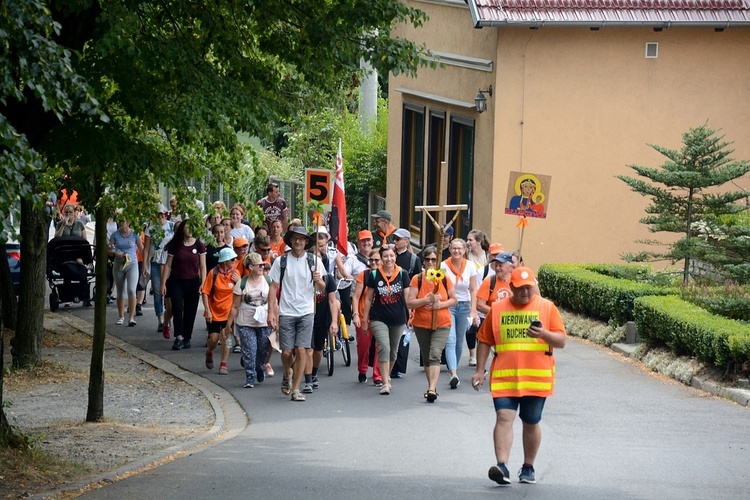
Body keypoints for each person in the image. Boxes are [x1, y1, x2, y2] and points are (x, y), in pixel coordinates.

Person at [472, 267, 567, 486]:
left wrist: (543, 334)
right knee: (504, 418)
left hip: (536, 378)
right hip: (505, 377)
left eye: (529, 287)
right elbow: (485, 339)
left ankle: (528, 467)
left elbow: (561, 341)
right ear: (511, 287)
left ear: (534, 285)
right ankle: (502, 466)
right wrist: (480, 369)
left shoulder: (547, 307)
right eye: (521, 288)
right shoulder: (497, 309)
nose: (526, 292)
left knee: (530, 422)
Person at [267, 226, 327, 402]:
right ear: (290, 241)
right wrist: (271, 311)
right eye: (295, 238)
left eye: (302, 239)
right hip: (286, 311)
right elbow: (273, 287)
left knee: (301, 349)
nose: (298, 242)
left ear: (306, 242)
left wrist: (319, 281)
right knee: (286, 353)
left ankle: (296, 389)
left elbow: (323, 287)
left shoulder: (314, 261)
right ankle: (288, 372)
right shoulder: (281, 261)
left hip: (306, 311)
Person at [404, 245, 457, 403]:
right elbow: (410, 303)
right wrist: (426, 300)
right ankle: (431, 385)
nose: (431, 262)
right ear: (423, 261)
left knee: (435, 354)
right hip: (422, 323)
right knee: (427, 357)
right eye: (428, 259)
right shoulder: (417, 279)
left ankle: (432, 389)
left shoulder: (444, 278)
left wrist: (439, 305)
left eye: (434, 260)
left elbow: (454, 299)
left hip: (442, 323)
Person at [361, 244, 410, 395]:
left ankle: (386, 375)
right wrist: (364, 319)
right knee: (384, 347)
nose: (389, 259)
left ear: (395, 256)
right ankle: (385, 383)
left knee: (393, 352)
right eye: (385, 256)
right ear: (381, 259)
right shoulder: (374, 275)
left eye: (391, 256)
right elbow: (369, 298)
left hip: (398, 318)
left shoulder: (403, 274)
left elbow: (408, 299)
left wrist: (411, 316)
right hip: (378, 317)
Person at [226, 252, 271, 388]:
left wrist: (275, 318)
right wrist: (229, 324)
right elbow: (235, 306)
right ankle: (250, 376)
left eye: (263, 265)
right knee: (249, 349)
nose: (262, 268)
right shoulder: (242, 284)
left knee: (263, 349)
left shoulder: (268, 281)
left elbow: (273, 302)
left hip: (263, 320)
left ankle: (260, 366)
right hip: (246, 321)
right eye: (259, 266)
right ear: (251, 267)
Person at [161, 220, 207, 350]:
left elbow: (203, 266)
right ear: (182, 230)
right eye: (187, 227)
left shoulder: (199, 245)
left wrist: (203, 283)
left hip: (192, 281)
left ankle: (187, 337)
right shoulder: (176, 245)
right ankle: (179, 336)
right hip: (177, 281)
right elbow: (168, 264)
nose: (189, 230)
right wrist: (163, 283)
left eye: (192, 227)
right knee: (177, 308)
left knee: (190, 310)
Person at [441, 238, 479, 389]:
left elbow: (474, 289)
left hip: (464, 305)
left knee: (459, 341)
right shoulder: (443, 266)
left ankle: (453, 370)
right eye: (454, 248)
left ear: (464, 251)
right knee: (450, 339)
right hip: (450, 305)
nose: (456, 251)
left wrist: (473, 310)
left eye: (459, 249)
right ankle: (454, 373)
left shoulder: (470, 266)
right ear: (450, 250)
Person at [202, 247, 240, 376]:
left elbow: (242, 292)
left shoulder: (235, 273)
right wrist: (207, 310)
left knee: (226, 337)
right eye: (232, 259)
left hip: (228, 313)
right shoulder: (213, 273)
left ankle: (223, 364)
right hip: (214, 312)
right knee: (213, 339)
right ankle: (209, 352)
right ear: (225, 261)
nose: (235, 261)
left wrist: (239, 282)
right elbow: (205, 292)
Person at [351, 237, 382, 385]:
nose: (374, 263)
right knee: (364, 347)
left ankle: (377, 374)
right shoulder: (364, 275)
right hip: (364, 316)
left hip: (381, 317)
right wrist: (356, 314)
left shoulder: (386, 276)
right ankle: (362, 369)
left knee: (380, 346)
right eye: (372, 261)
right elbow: (356, 296)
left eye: (377, 260)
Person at [391, 227, 421, 378]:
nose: (395, 242)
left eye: (398, 239)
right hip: (389, 297)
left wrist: (414, 305)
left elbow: (417, 282)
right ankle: (388, 363)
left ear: (406, 241)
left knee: (404, 333)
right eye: (394, 239)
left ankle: (398, 366)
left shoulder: (413, 259)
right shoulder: (390, 256)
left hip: (406, 299)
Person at [142, 204, 175, 335]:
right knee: (157, 291)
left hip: (169, 261)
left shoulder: (172, 227)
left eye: (164, 214)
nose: (161, 216)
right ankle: (160, 319)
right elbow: (146, 248)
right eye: (159, 214)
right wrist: (144, 265)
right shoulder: (151, 228)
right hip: (155, 261)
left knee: (170, 290)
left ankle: (169, 315)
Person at [109, 218, 144, 327]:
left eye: (123, 221)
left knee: (131, 290)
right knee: (120, 291)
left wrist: (145, 265)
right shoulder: (115, 235)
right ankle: (121, 316)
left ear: (128, 222)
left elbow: (141, 250)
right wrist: (115, 253)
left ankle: (131, 317)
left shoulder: (135, 234)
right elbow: (109, 249)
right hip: (119, 264)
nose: (120, 223)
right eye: (119, 221)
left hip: (132, 264)